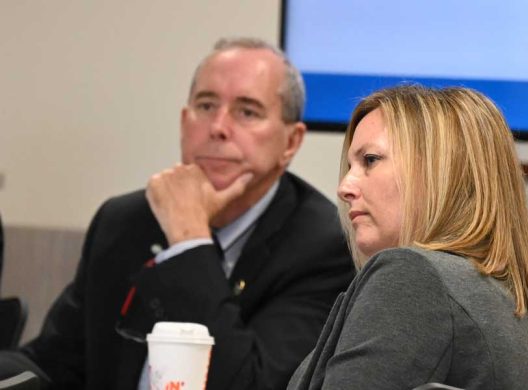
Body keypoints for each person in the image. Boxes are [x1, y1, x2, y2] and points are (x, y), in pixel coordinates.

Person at [0, 38, 354, 389]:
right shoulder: (124, 221)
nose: (218, 127)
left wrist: (189, 240)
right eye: (206, 105)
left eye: (247, 111)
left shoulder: (324, 246)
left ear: (291, 142)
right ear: (185, 123)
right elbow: (52, 363)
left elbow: (251, 384)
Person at [287, 85, 528, 390]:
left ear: (441, 172)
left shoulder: (414, 276)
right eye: (351, 165)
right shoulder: (486, 291)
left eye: (370, 160)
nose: (345, 187)